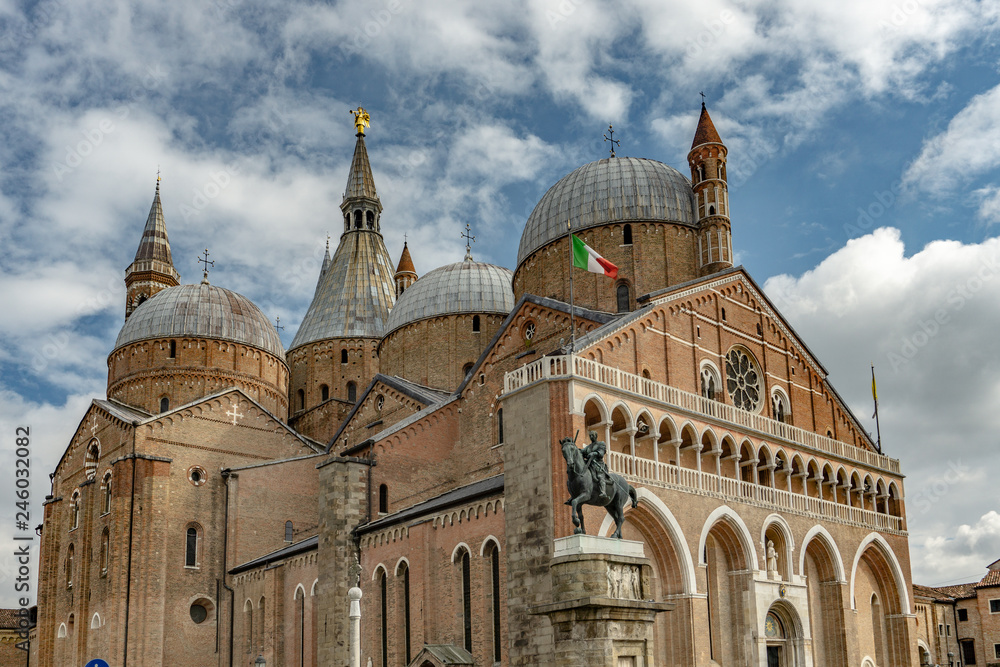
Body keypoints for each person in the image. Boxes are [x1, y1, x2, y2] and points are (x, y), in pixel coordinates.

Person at [583, 430, 611, 499]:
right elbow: (583, 451)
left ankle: (603, 491)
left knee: (600, 476)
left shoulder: (601, 444)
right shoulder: (589, 447)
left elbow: (601, 452)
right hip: (590, 464)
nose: (591, 437)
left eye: (592, 435)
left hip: (598, 464)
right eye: (590, 436)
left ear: (596, 436)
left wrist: (594, 453)